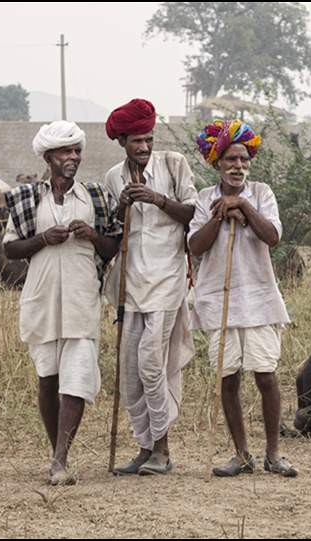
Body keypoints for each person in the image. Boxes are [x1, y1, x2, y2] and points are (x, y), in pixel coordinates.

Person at [3, 120, 118, 486]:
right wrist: (43, 239)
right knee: (48, 378)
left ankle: (60, 459)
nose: (73, 157)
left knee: (78, 377)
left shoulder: (94, 197)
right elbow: (10, 249)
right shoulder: (28, 199)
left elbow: (114, 246)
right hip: (42, 297)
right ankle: (57, 454)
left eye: (77, 151)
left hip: (82, 296)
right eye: (66, 151)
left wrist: (92, 235)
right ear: (49, 156)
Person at [190, 119, 296, 478]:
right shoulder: (205, 199)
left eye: (244, 160)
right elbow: (195, 246)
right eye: (230, 160)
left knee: (266, 375)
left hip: (259, 298)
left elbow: (272, 236)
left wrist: (244, 208)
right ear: (217, 162)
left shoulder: (262, 194)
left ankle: (273, 454)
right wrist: (220, 215)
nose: (238, 166)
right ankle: (241, 454)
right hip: (218, 300)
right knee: (228, 378)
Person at [103, 98, 197, 476]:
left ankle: (163, 449)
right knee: (129, 369)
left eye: (148, 139)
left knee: (152, 364)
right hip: (130, 282)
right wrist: (122, 206)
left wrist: (157, 199)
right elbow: (113, 230)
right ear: (122, 141)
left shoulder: (174, 164)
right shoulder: (113, 177)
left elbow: (192, 213)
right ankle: (143, 447)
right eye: (136, 141)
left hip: (167, 279)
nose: (143, 147)